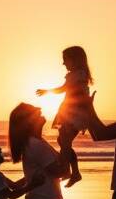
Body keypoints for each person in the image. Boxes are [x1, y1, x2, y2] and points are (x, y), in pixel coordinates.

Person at [36, 45, 93, 188]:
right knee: (63, 140)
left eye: (65, 60)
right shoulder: (77, 74)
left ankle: (66, 169)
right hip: (70, 110)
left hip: (74, 112)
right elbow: (65, 89)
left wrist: (47, 91)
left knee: (65, 140)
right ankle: (73, 172)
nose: (63, 63)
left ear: (74, 60)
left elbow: (75, 90)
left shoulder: (78, 74)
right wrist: (48, 91)